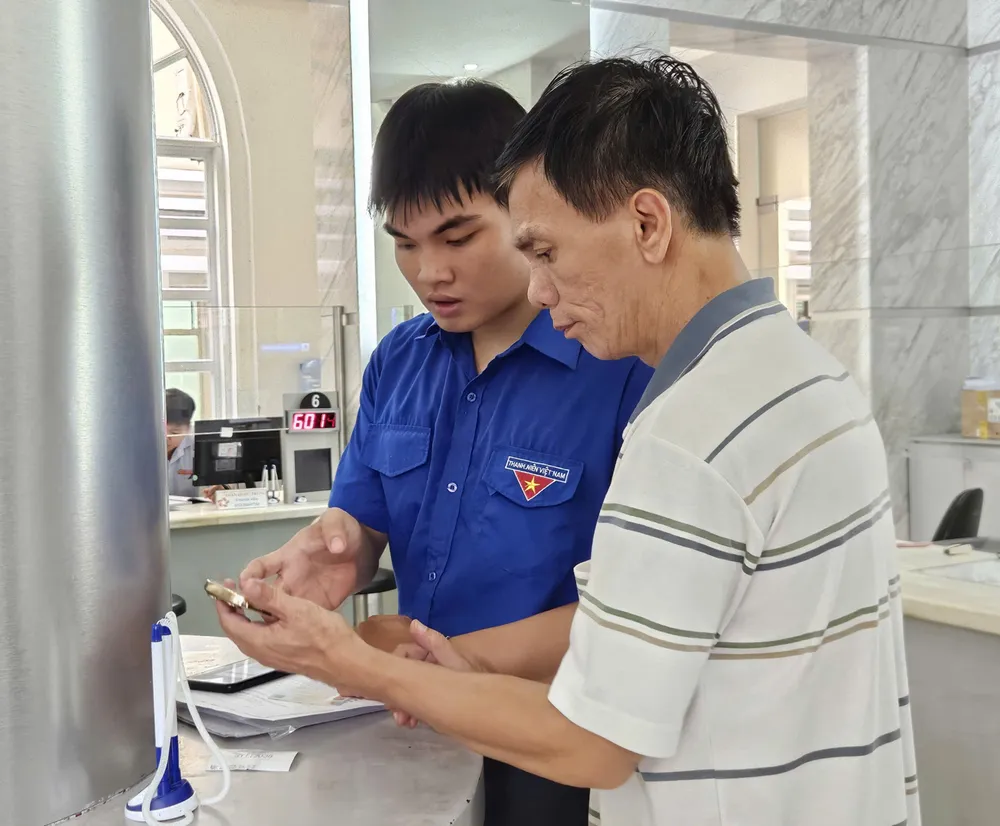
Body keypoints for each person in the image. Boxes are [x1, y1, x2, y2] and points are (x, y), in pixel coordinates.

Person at [218, 56, 919, 826]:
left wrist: (354, 662)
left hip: (561, 746)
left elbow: (594, 742)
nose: (539, 289)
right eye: (405, 244)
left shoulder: (683, 426)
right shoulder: (810, 380)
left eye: (544, 251)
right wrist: (355, 575)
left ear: (647, 223)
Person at [233, 80, 652, 826]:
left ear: (528, 211)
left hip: (560, 742)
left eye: (458, 238)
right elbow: (361, 525)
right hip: (413, 732)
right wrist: (333, 553)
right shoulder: (398, 362)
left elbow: (641, 613)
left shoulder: (617, 367)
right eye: (404, 243)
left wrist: (432, 661)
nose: (430, 271)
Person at [165, 388, 198, 497]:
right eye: (159, 431)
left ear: (188, 428)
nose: (166, 438)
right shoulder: (135, 450)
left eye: (174, 433)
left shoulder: (198, 448)